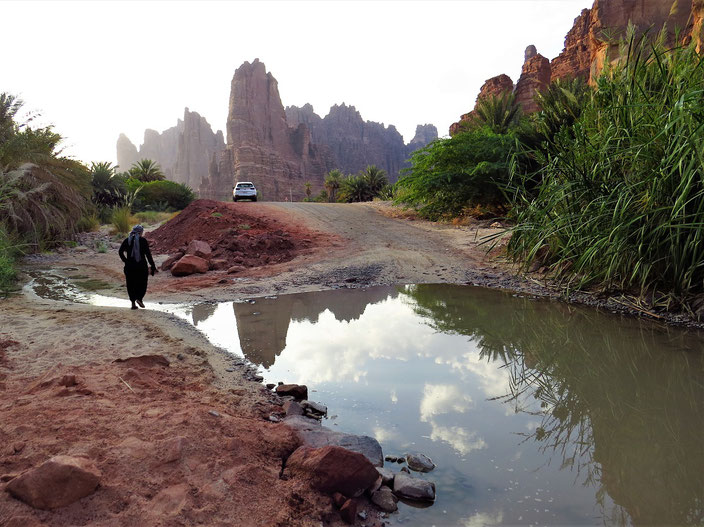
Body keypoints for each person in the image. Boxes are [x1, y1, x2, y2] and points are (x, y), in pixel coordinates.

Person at [118, 225, 157, 309]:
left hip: (130, 267)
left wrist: (126, 261)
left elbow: (120, 252)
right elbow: (148, 254)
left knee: (131, 284)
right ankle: (139, 298)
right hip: (141, 266)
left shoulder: (127, 240)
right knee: (142, 283)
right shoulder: (143, 241)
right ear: (141, 232)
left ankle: (133, 304)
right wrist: (152, 265)